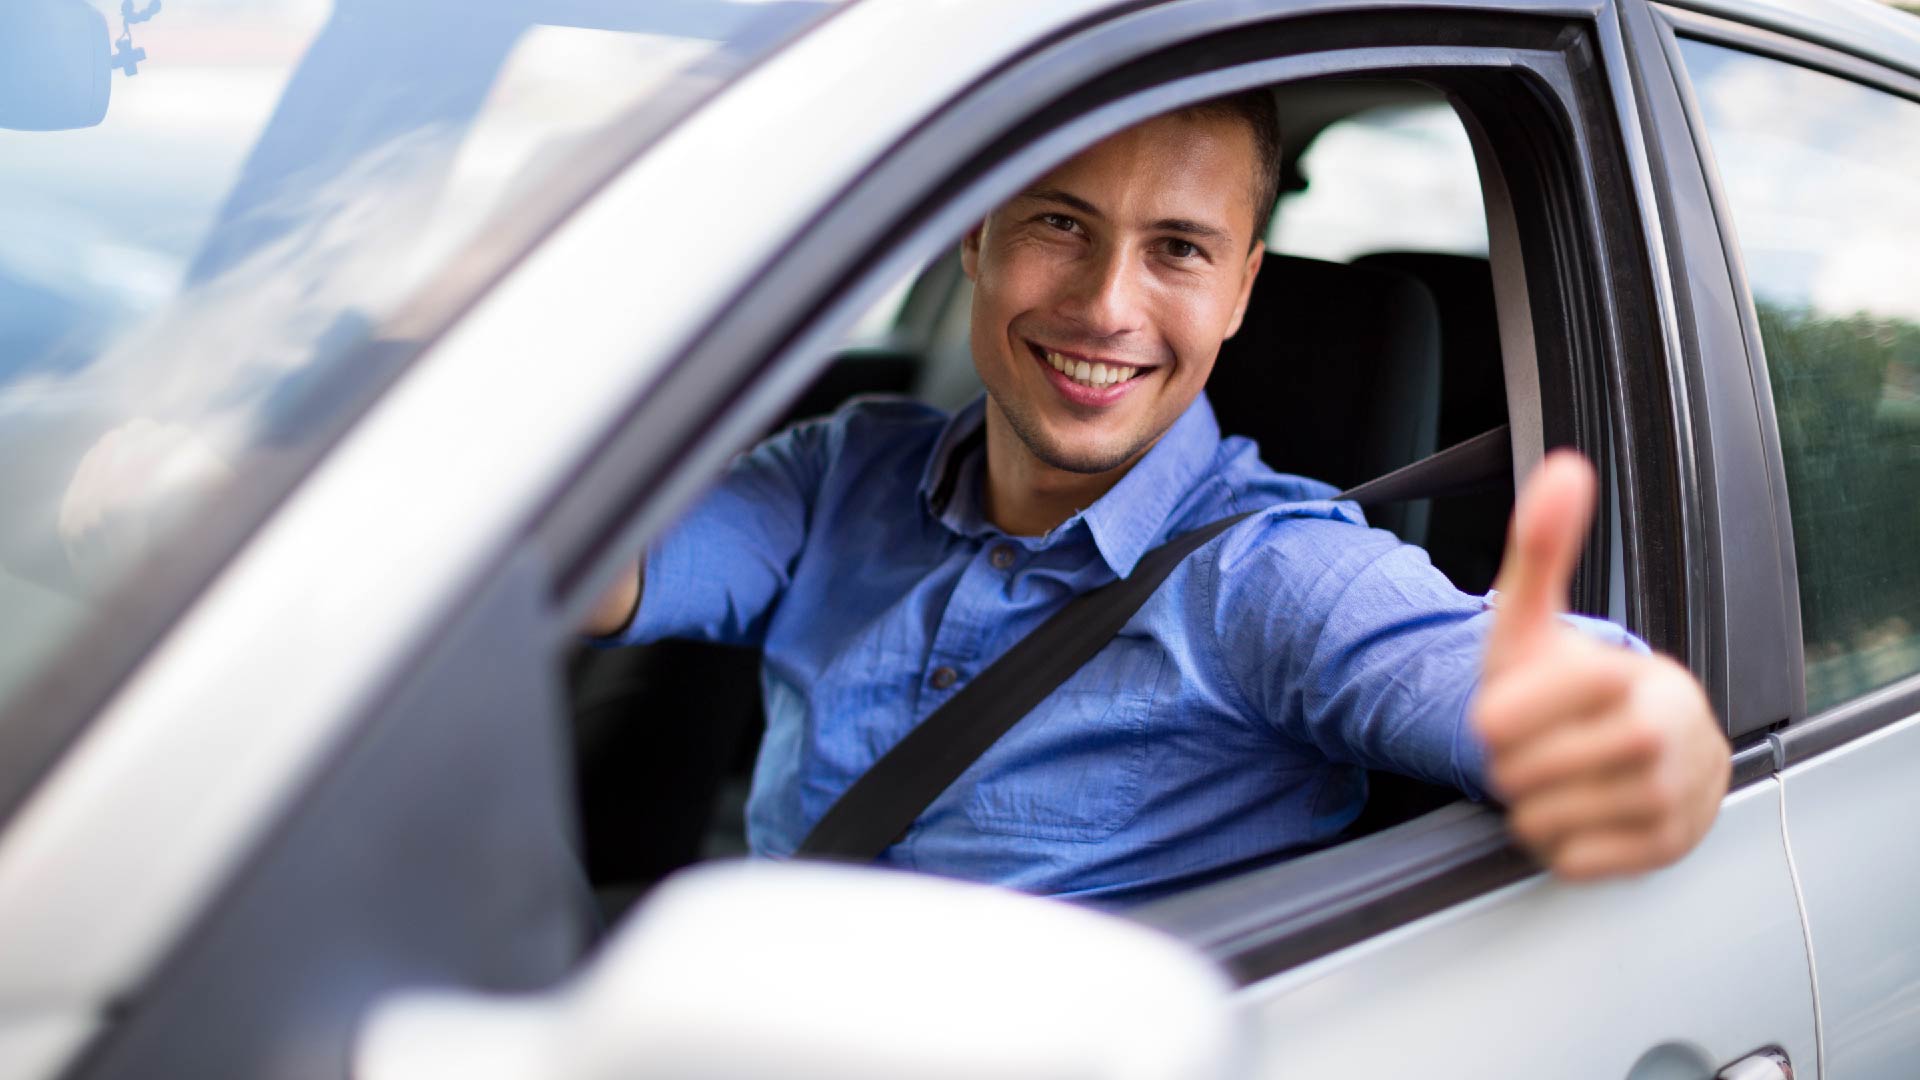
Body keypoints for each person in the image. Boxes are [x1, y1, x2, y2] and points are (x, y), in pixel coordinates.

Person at [585, 90, 1730, 903]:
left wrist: (1635, 741)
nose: (1104, 306)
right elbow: (584, 563)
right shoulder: (842, 470)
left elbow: (1581, 709)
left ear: (1241, 291)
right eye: (1059, 223)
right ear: (976, 239)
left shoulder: (1276, 572)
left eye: (1177, 250)